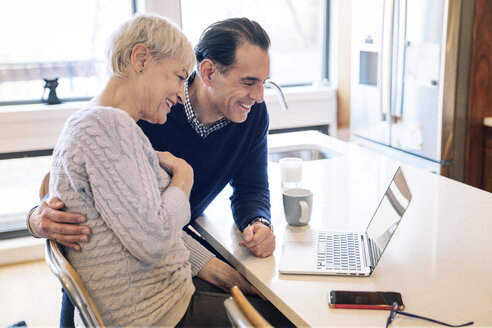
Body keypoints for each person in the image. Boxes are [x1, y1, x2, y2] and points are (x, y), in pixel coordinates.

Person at [28, 16, 292, 327]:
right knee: (279, 316)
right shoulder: (144, 114)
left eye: (265, 82)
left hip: (152, 270)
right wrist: (35, 217)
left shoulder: (249, 114)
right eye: (249, 82)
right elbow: (128, 223)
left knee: (261, 300)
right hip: (136, 290)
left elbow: (251, 187)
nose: (260, 96)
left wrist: (258, 222)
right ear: (206, 72)